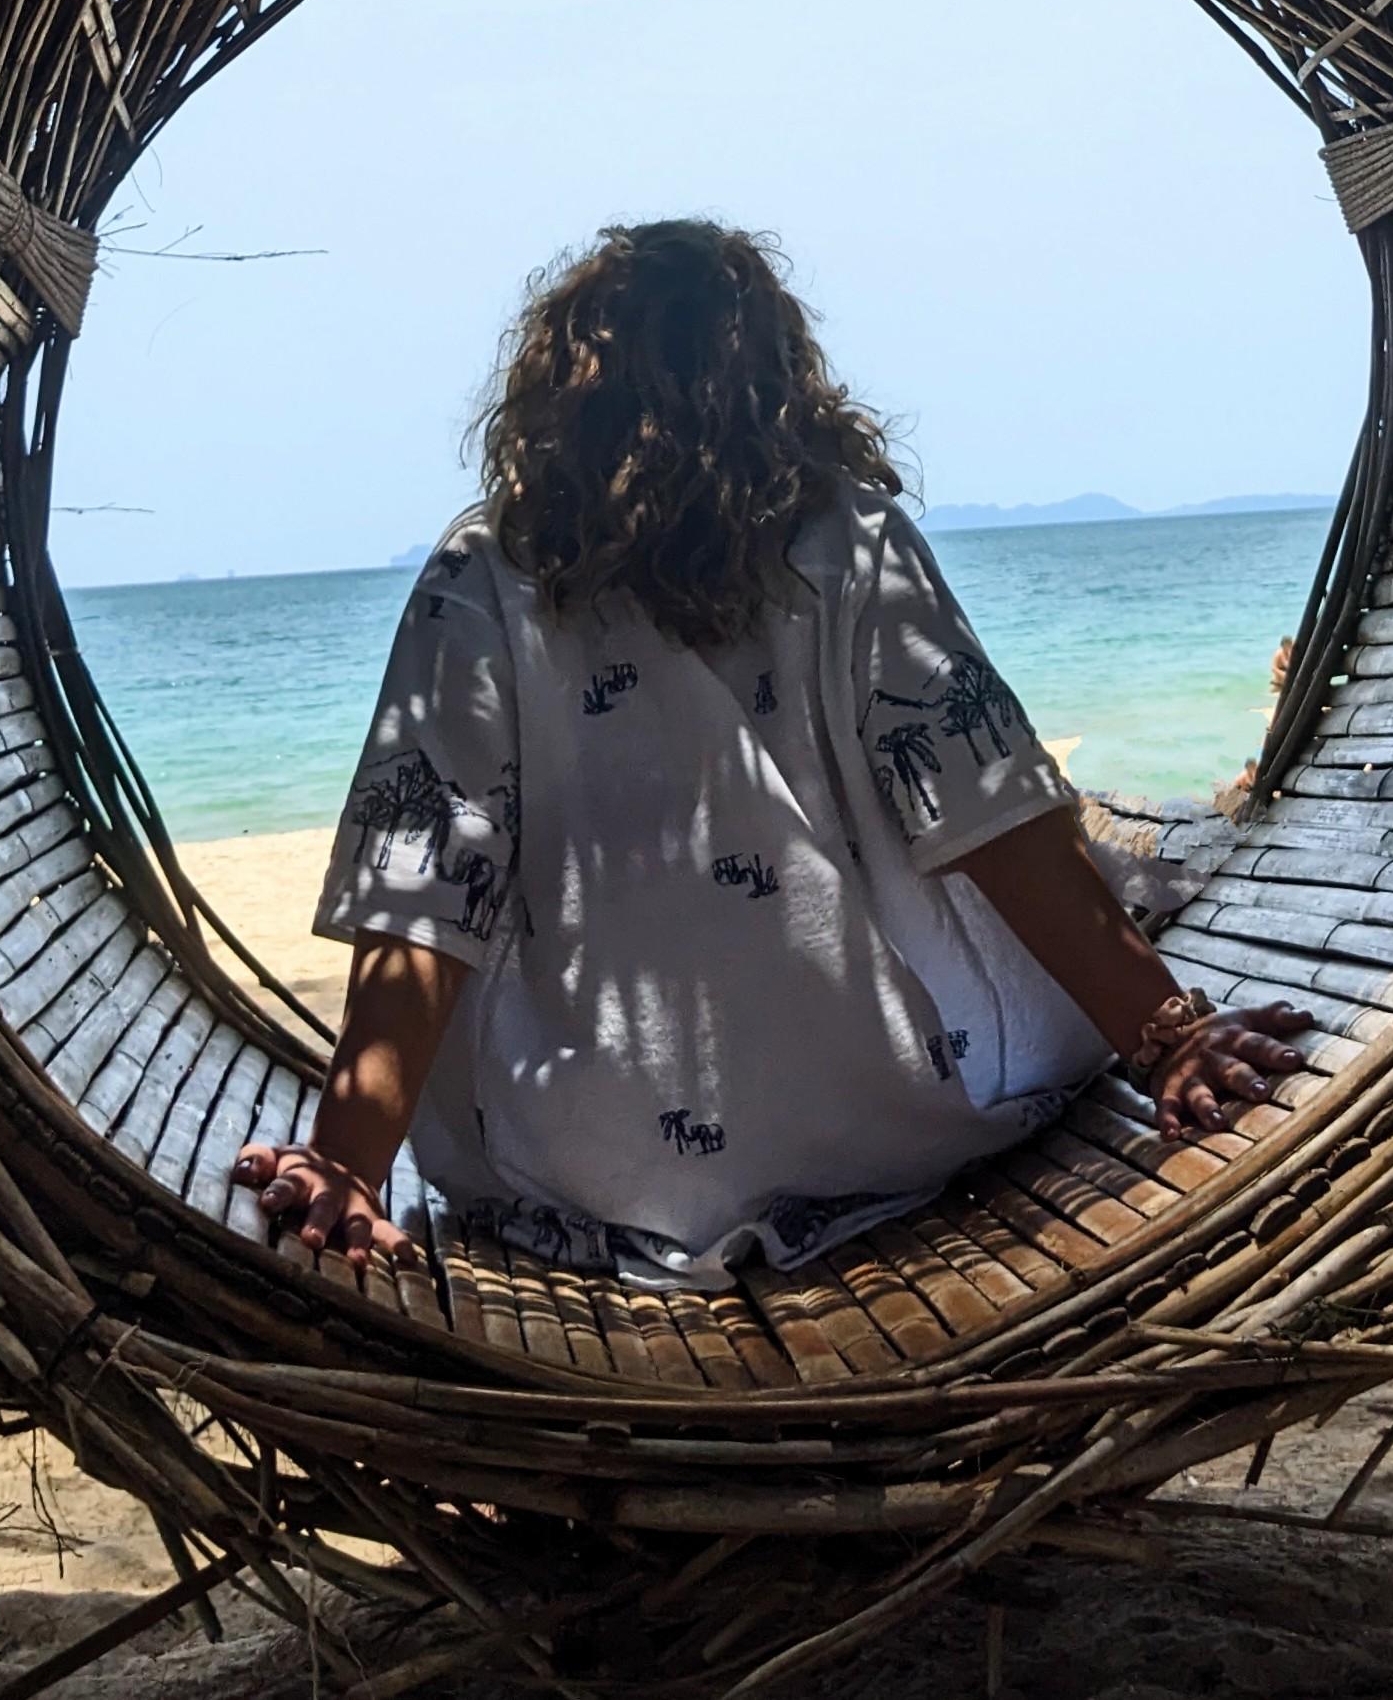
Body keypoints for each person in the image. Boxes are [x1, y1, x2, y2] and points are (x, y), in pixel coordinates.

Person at [237, 220, 1308, 1287]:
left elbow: (428, 885)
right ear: (775, 385)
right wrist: (1165, 1032)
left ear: (554, 398)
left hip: (589, 1157)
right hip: (882, 1107)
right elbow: (991, 814)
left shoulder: (486, 573)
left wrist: (348, 1164)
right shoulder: (849, 540)